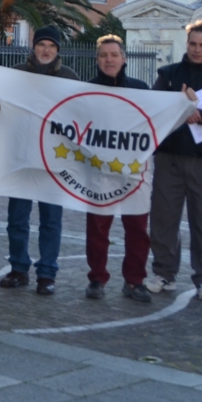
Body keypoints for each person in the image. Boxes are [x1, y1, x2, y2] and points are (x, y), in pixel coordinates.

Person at [146, 19, 202, 301]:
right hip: (169, 159)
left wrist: (200, 115)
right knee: (163, 220)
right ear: (185, 44)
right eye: (193, 44)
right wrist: (179, 103)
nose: (197, 50)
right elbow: (153, 110)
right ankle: (164, 273)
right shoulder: (169, 74)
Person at [0, 25, 78, 295]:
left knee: (51, 221)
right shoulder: (17, 74)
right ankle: (19, 268)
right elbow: (4, 108)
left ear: (57, 51)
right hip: (21, 158)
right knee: (17, 219)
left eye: (51, 46)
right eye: (42, 45)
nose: (46, 50)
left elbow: (77, 116)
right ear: (34, 47)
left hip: (53, 162)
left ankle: (47, 273)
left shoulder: (69, 77)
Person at [84, 35, 152, 303]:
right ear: (97, 60)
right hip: (99, 172)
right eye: (103, 55)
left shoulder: (141, 89)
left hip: (135, 171)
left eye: (113, 55)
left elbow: (155, 124)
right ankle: (96, 278)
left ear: (124, 58)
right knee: (98, 229)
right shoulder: (86, 91)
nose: (109, 60)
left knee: (137, 228)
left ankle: (135, 281)